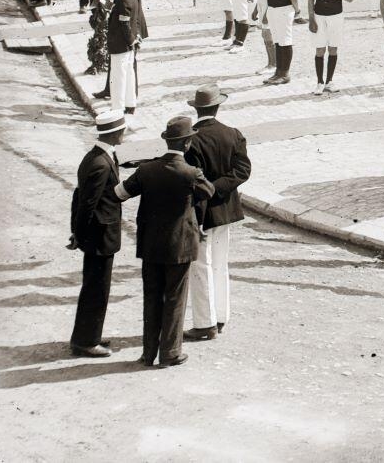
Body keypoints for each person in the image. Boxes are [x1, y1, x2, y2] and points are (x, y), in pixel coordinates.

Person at [114, 115, 214, 367]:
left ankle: (148, 353)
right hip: (180, 246)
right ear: (188, 144)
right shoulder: (191, 173)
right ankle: (170, 352)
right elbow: (209, 192)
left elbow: (120, 193)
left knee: (151, 298)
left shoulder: (146, 170)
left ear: (167, 141)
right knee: (175, 299)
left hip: (150, 245)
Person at [183, 84, 250, 342]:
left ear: (197, 109)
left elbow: (193, 184)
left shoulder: (192, 140)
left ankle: (205, 323)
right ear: (217, 107)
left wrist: (208, 191)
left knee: (201, 267)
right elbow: (242, 170)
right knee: (220, 264)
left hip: (202, 213)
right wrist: (219, 188)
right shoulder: (232, 134)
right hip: (227, 209)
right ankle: (221, 316)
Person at [69, 110, 127, 357]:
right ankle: (85, 341)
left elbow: (79, 197)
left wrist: (76, 232)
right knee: (96, 289)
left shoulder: (98, 157)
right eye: (123, 130)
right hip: (99, 237)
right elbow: (86, 204)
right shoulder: (101, 163)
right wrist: (78, 235)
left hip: (98, 236)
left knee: (96, 287)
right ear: (115, 133)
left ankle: (90, 335)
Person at [306, 0, 354, 94]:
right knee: (320, 49)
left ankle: (329, 81)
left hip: (336, 16)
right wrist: (311, 19)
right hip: (320, 16)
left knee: (333, 48)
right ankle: (319, 82)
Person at [261, 0, 304, 86]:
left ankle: (285, 73)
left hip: (284, 11)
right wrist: (267, 12)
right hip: (274, 11)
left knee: (285, 41)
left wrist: (297, 12)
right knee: (278, 41)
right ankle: (278, 72)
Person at [105, 0, 143, 116]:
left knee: (118, 77)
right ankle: (130, 104)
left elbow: (124, 24)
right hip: (127, 44)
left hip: (121, 44)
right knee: (128, 74)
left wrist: (131, 39)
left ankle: (117, 109)